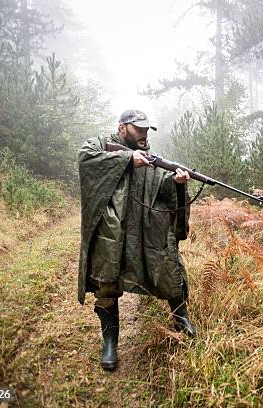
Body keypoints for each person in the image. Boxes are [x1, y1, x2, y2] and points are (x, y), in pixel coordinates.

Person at [77, 109, 197, 371]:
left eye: (146, 130)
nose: (144, 135)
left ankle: (182, 319)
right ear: (122, 128)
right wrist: (127, 158)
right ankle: (109, 345)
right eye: (138, 130)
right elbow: (86, 159)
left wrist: (178, 183)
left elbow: (165, 192)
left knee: (168, 267)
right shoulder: (99, 145)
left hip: (144, 229)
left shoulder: (151, 160)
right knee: (107, 283)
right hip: (110, 230)